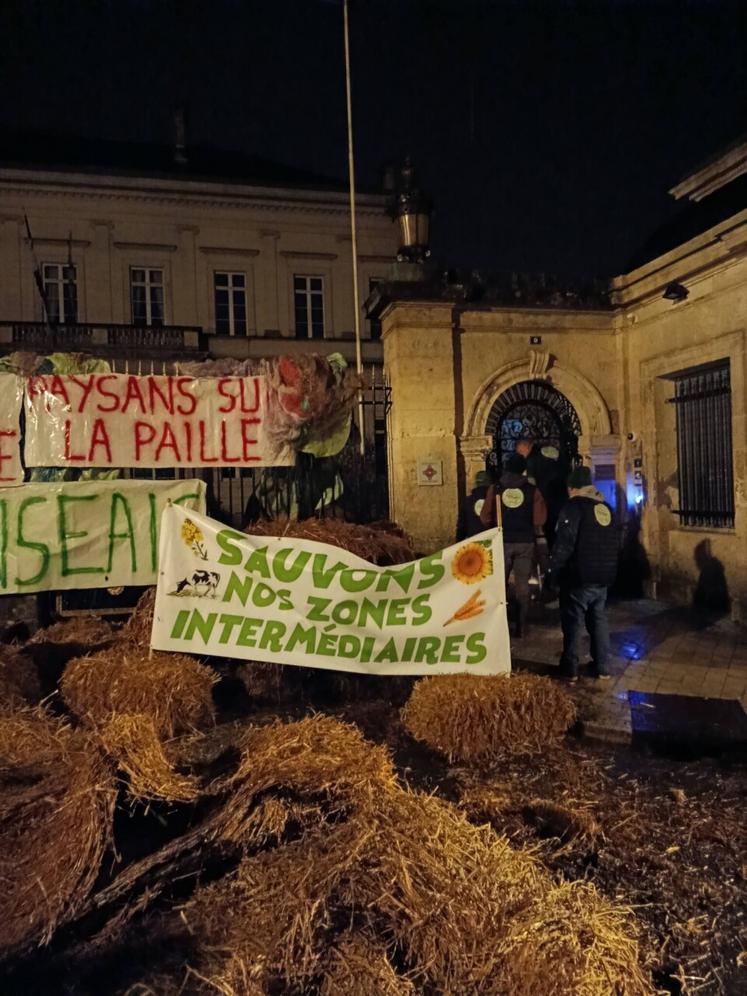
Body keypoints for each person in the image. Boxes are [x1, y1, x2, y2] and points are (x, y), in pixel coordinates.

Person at [545, 465, 619, 682]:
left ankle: (570, 667)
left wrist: (552, 571)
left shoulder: (574, 507)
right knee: (599, 618)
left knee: (573, 621)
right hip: (604, 575)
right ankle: (603, 666)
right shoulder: (606, 507)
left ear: (573, 487)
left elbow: (564, 544)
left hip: (579, 575)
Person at [480, 453, 547, 638]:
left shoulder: (496, 489)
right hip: (525, 542)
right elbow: (539, 519)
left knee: (499, 584)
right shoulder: (533, 491)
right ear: (522, 469)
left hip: (502, 540)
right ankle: (521, 625)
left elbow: (485, 517)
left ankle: (499, 623)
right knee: (522, 586)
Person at [515, 438, 567, 548]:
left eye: (521, 452)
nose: (522, 456)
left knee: (550, 533)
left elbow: (531, 484)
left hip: (546, 500)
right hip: (562, 498)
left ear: (525, 446)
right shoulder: (550, 451)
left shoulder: (531, 460)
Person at [455, 469, 493, 541]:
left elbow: (461, 527)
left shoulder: (467, 501)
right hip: (492, 540)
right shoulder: (495, 500)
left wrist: (458, 543)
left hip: (474, 541)